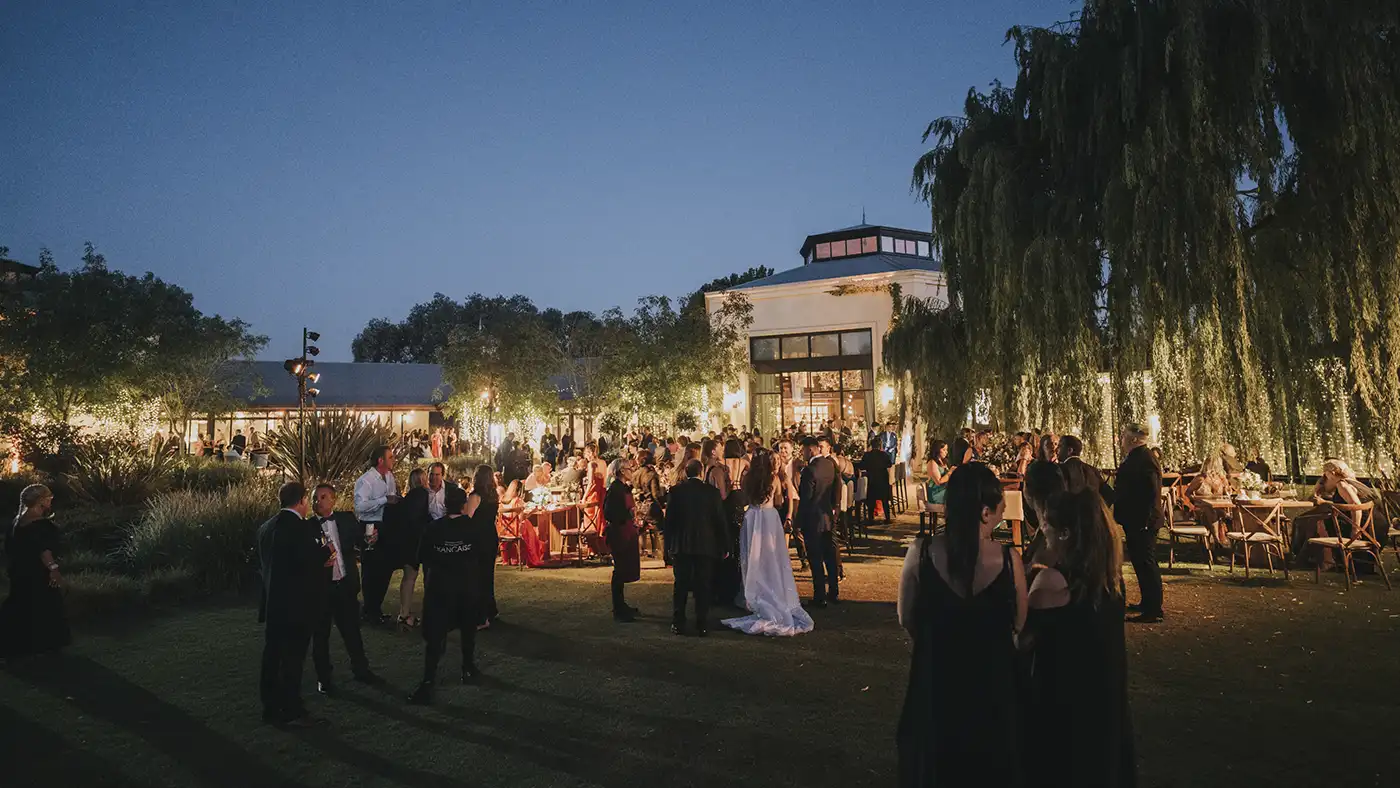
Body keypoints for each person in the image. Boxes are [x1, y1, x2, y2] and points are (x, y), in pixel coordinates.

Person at [896, 463, 1027, 786]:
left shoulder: (922, 552)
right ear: (985, 512)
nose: (1000, 516)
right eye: (999, 509)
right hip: (992, 681)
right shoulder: (1010, 561)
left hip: (936, 676)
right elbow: (1019, 622)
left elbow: (907, 616)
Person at [1021, 489, 1136, 786]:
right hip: (1104, 702)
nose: (1041, 528)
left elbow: (1022, 637)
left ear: (1065, 533)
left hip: (1061, 703)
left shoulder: (1052, 582)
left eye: (1046, 523)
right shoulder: (1111, 582)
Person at [256, 482, 332, 727]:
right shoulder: (299, 529)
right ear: (300, 501)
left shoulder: (266, 528)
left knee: (272, 656)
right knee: (292, 659)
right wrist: (326, 552)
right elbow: (306, 562)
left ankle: (270, 705)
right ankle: (291, 707)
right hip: (296, 606)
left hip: (273, 603)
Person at [408, 485, 491, 705]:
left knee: (435, 639)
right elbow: (484, 554)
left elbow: (421, 556)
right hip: (467, 588)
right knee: (468, 632)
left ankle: (428, 681)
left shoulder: (433, 528)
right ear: (464, 505)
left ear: (445, 505)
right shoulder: (474, 527)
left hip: (439, 590)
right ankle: (468, 667)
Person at [721, 450, 815, 637]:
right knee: (772, 556)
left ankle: (757, 591)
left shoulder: (748, 478)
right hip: (768, 517)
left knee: (754, 555)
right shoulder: (775, 480)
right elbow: (781, 499)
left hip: (752, 517)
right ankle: (773, 589)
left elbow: (746, 497)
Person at [307, 483, 382, 696]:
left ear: (333, 500)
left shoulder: (347, 519)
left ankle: (361, 669)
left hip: (345, 586)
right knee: (320, 637)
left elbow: (362, 542)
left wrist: (370, 540)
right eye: (314, 498)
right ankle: (324, 678)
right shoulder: (307, 527)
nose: (317, 501)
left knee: (352, 632)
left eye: (322, 497)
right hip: (322, 589)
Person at [0, 484, 70, 659]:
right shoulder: (40, 525)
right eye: (48, 498)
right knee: (44, 606)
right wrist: (53, 570)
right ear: (40, 501)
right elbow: (44, 550)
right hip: (37, 573)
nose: (50, 501)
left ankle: (16, 645)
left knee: (21, 604)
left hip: (19, 572)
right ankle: (43, 645)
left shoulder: (17, 522)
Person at [664, 459, 732, 636]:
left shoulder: (676, 492)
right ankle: (701, 622)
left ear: (686, 473)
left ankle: (678, 621)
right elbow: (719, 521)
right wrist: (725, 544)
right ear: (701, 473)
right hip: (705, 544)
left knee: (681, 585)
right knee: (703, 585)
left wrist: (668, 546)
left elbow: (669, 521)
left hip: (682, 544)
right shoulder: (711, 493)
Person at [1109, 423, 1165, 624]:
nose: (1121, 439)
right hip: (1136, 519)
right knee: (1140, 562)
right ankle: (1147, 601)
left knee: (1146, 562)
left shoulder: (1145, 458)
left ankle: (1154, 609)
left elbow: (1150, 492)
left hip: (1143, 521)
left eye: (1124, 436)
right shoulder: (1138, 457)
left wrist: (1146, 520)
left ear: (1133, 439)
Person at [1290, 458, 1379, 571]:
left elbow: (1356, 506)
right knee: (1321, 521)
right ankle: (1310, 559)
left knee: (1320, 523)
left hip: (1364, 528)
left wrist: (1356, 530)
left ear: (1331, 474)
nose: (1324, 478)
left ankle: (1323, 561)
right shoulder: (1353, 482)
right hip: (1374, 526)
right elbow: (1346, 504)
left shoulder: (1342, 484)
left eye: (1325, 475)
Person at [355, 445, 400, 625]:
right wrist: (384, 500)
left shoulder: (390, 477)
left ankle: (376, 606)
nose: (393, 460)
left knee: (385, 566)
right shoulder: (366, 480)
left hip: (386, 525)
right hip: (369, 524)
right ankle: (369, 609)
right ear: (380, 460)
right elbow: (360, 506)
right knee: (370, 567)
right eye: (390, 457)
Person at [796, 437, 840, 606]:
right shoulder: (829, 465)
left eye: (804, 450)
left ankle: (819, 595)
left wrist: (799, 521)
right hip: (827, 515)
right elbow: (836, 487)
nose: (802, 453)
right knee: (829, 556)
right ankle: (834, 591)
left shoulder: (809, 470)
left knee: (815, 558)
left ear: (811, 450)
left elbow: (806, 499)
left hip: (813, 519)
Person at [389, 468, 431, 629]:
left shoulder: (407, 499)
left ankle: (404, 612)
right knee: (412, 577)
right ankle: (406, 614)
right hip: (417, 541)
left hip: (407, 540)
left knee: (408, 577)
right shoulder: (422, 494)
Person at [603, 458, 642, 621]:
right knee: (619, 570)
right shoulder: (615, 489)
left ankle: (621, 605)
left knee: (624, 568)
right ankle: (618, 609)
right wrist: (627, 516)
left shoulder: (622, 488)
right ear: (621, 471)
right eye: (628, 469)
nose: (631, 471)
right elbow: (609, 513)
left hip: (626, 531)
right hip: (620, 533)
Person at [465, 464, 502, 628]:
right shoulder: (493, 495)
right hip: (490, 535)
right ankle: (490, 610)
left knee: (477, 577)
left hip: (478, 538)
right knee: (487, 576)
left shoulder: (476, 496)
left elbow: (468, 518)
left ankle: (481, 616)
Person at [633, 450, 665, 559]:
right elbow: (655, 493)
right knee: (661, 531)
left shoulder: (635, 474)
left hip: (639, 506)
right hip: (651, 506)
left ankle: (637, 554)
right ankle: (667, 558)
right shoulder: (652, 474)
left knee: (639, 530)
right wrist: (662, 505)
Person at [859, 439, 895, 524]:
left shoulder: (867, 455)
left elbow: (861, 466)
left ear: (871, 446)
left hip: (871, 481)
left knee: (871, 499)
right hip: (883, 481)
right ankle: (887, 518)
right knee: (884, 500)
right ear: (880, 446)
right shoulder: (884, 455)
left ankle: (871, 518)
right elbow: (889, 464)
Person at [923, 440, 951, 506]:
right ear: (937, 450)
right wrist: (950, 472)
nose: (946, 452)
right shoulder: (932, 462)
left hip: (943, 489)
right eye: (944, 450)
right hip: (936, 492)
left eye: (946, 450)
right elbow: (938, 482)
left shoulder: (943, 461)